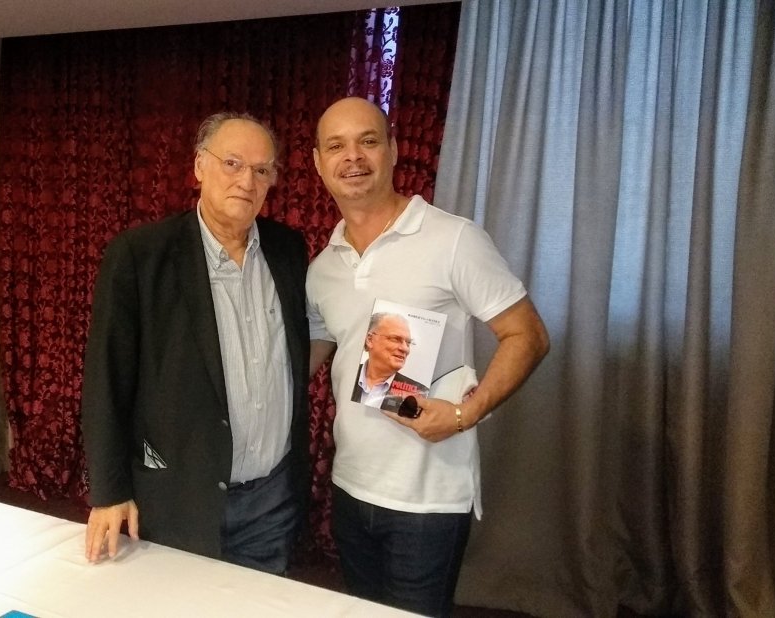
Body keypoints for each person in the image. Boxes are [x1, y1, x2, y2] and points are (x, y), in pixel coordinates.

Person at [306, 97, 549, 616]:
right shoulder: (324, 266)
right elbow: (317, 352)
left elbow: (527, 335)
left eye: (368, 141)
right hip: (350, 485)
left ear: (393, 150)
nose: (353, 157)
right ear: (318, 162)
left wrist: (465, 414)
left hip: (428, 499)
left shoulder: (454, 238)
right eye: (336, 146)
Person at [80, 112, 310, 576]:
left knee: (260, 606)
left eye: (262, 169)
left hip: (270, 499)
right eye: (232, 163)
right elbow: (106, 379)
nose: (246, 181)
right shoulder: (140, 255)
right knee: (175, 601)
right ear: (199, 166)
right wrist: (108, 491)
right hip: (178, 494)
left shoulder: (288, 250)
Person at [352, 312, 426, 411]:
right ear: (370, 340)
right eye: (395, 339)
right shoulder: (347, 372)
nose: (405, 349)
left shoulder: (419, 394)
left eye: (408, 343)